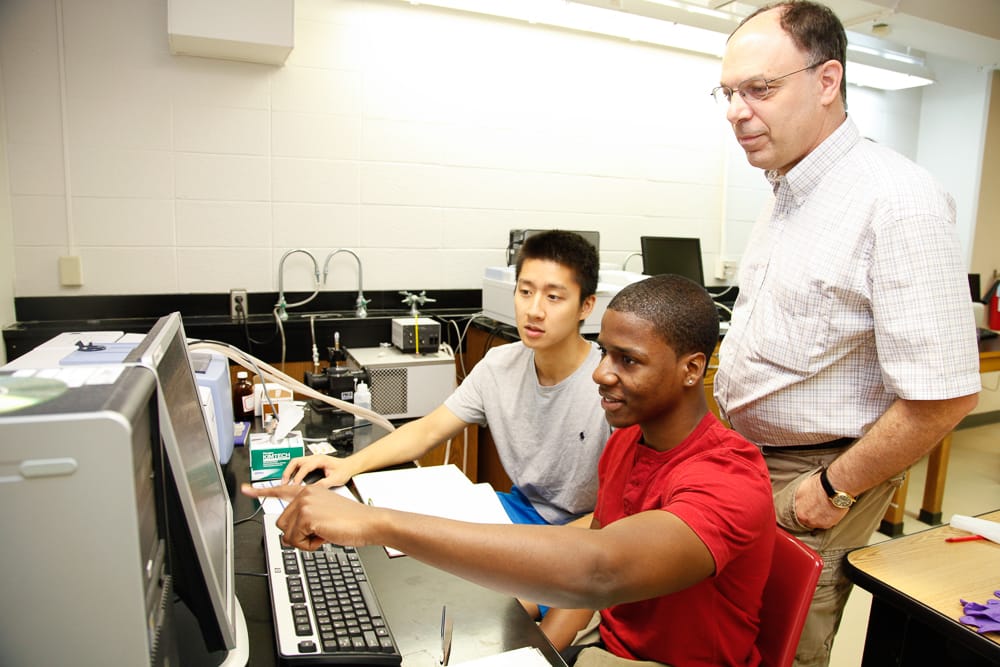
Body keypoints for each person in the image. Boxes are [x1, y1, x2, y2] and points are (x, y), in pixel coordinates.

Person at [245, 274, 777, 667]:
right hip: (607, 647)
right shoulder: (630, 442)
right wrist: (535, 645)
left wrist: (378, 522)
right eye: (605, 352)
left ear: (692, 369)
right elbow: (592, 567)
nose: (602, 373)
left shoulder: (727, 475)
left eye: (627, 361)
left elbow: (601, 570)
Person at [712, 3, 982, 666]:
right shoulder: (788, 188)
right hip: (749, 456)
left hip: (815, 474)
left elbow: (944, 396)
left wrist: (830, 488)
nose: (735, 112)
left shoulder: (898, 202)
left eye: (759, 90)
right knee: (730, 634)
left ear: (827, 80)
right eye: (728, 93)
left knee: (783, 647)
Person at [281, 229, 609, 528]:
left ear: (586, 306)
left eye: (553, 297)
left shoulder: (610, 386)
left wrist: (553, 555)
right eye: (525, 291)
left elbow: (625, 513)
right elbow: (428, 431)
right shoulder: (499, 366)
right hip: (518, 511)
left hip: (587, 529)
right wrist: (347, 465)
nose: (534, 310)